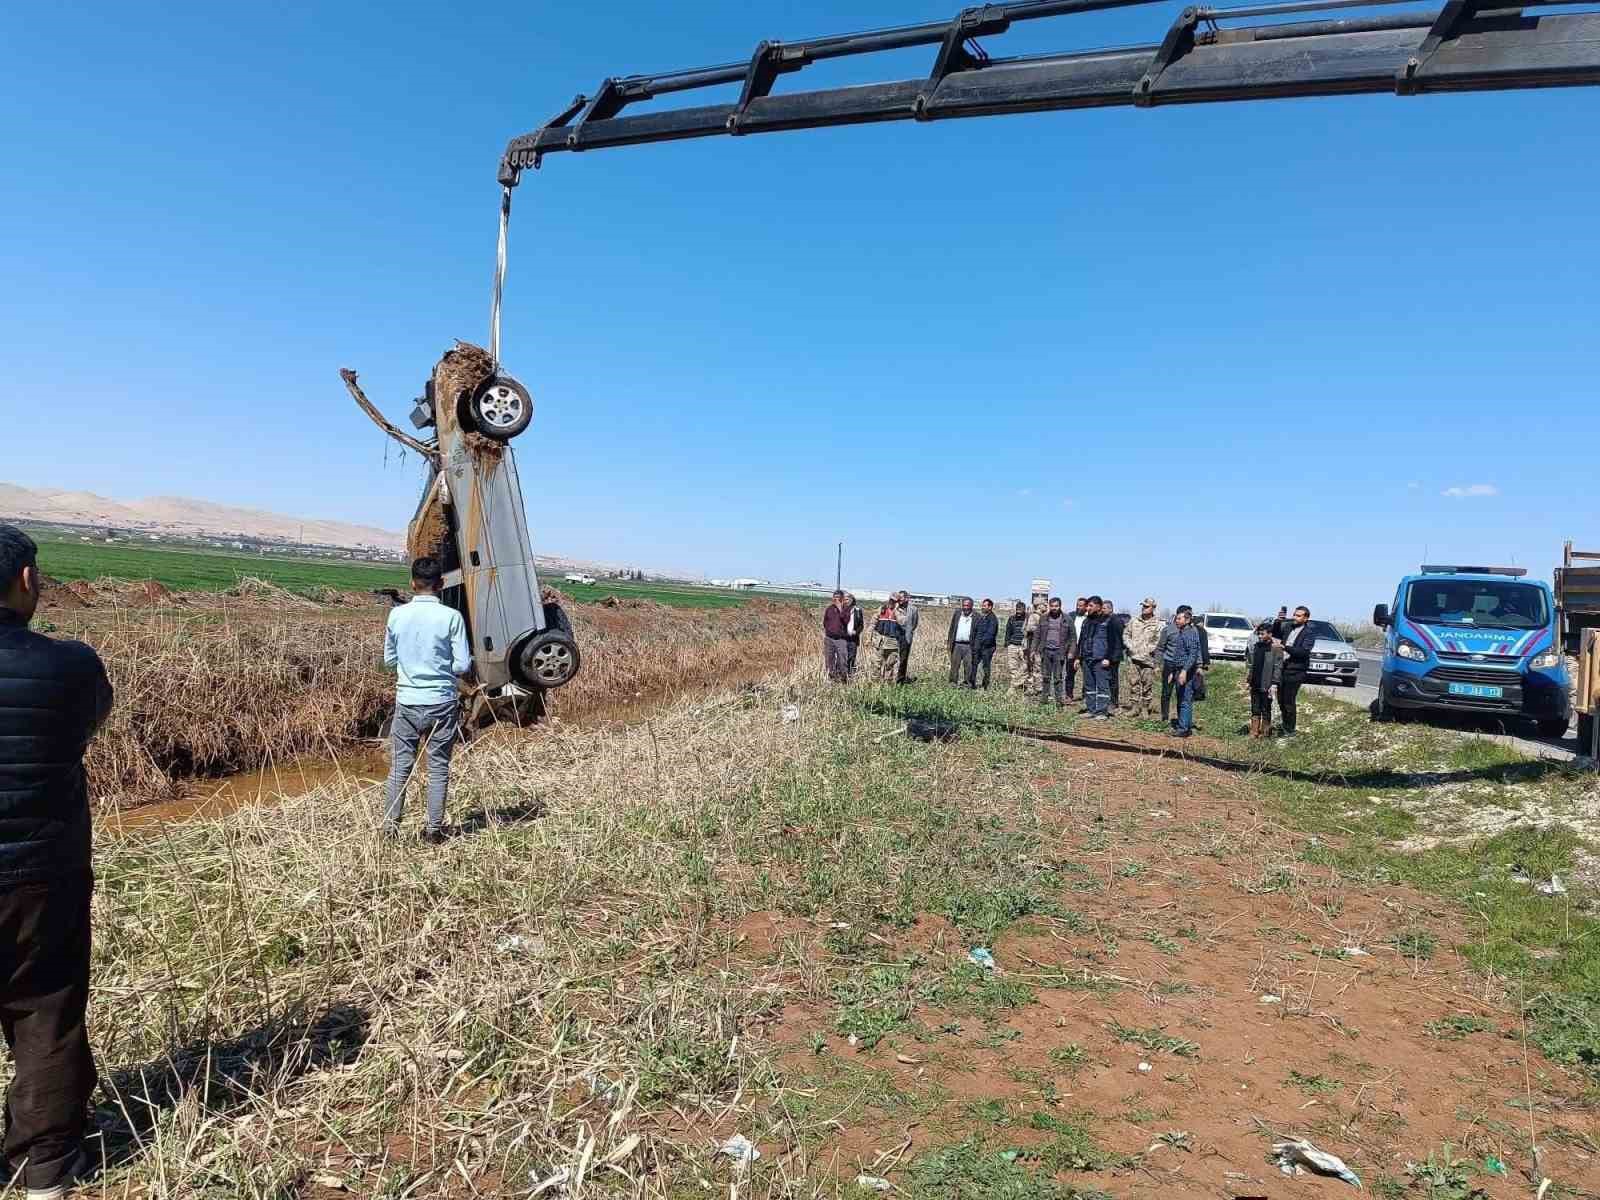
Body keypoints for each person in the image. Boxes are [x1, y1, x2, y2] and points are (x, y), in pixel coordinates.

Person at [0, 525, 112, 1199]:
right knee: (45, 1008)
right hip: (41, 876)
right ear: (24, 583)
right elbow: (87, 722)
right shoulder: (71, 666)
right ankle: (43, 1167)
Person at [384, 556, 473, 842]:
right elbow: (461, 666)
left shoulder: (396, 615)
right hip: (442, 703)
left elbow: (389, 659)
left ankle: (390, 831)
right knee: (438, 767)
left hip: (407, 701)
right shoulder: (451, 617)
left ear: (412, 583)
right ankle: (434, 832)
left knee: (400, 768)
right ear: (442, 584)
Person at [1075, 595, 1122, 719]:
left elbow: (1114, 642)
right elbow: (1082, 640)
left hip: (1101, 659)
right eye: (1087, 605)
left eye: (1091, 606)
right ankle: (1091, 710)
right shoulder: (1086, 621)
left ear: (1099, 607)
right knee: (1089, 686)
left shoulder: (1108, 621)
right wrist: (1078, 657)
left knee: (1102, 686)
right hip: (1087, 658)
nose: (1087, 608)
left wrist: (1108, 658)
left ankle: (1102, 711)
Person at [1162, 607, 1204, 737]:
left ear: (1187, 619)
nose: (1177, 620)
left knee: (1185, 699)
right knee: (1181, 698)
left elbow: (1192, 655)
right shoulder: (1182, 632)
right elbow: (1178, 654)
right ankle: (1184, 725)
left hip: (1186, 671)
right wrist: (1172, 672)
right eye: (1176, 618)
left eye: (1179, 618)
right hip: (1178, 669)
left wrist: (1184, 671)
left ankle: (1183, 728)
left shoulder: (1190, 633)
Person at [1276, 604, 1315, 737]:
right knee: (1280, 699)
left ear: (1306, 618)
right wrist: (1279, 620)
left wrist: (1285, 647)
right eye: (1294, 614)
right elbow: (1275, 632)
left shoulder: (1309, 633)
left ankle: (1290, 730)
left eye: (1299, 616)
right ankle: (1285, 725)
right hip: (1283, 668)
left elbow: (1303, 652)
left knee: (1288, 701)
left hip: (1296, 671)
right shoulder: (1289, 627)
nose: (1295, 617)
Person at [1122, 597, 1163, 719]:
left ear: (1153, 608)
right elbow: (1126, 634)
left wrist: (1149, 649)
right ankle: (1135, 708)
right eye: (1143, 606)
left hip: (1148, 660)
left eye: (1147, 606)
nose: (1144, 608)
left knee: (1147, 686)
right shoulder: (1134, 621)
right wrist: (1130, 646)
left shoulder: (1157, 624)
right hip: (1134, 658)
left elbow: (1158, 641)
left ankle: (1145, 709)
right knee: (1134, 684)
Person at [1037, 597, 1077, 707]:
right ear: (1049, 606)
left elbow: (1073, 638)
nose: (1054, 608)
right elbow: (1037, 635)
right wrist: (1033, 650)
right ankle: (1044, 699)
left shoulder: (1067, 619)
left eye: (1056, 606)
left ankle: (1059, 701)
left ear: (1060, 606)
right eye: (1052, 606)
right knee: (1045, 676)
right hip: (1046, 651)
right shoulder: (1043, 618)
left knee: (1058, 677)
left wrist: (1071, 652)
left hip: (1059, 652)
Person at [1246, 620, 1282, 737]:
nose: (1260, 636)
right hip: (1255, 683)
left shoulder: (1275, 648)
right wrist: (1249, 680)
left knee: (1266, 709)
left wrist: (1274, 683)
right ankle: (1254, 731)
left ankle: (1266, 733)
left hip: (1267, 684)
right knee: (1255, 708)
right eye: (1259, 634)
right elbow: (1253, 665)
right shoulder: (1257, 646)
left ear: (1270, 634)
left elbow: (1277, 667)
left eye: (1263, 634)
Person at [822, 590, 851, 683]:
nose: (836, 599)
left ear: (842, 599)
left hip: (841, 639)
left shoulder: (846, 609)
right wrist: (829, 631)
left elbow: (847, 621)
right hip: (829, 638)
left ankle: (843, 680)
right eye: (834, 597)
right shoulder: (829, 609)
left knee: (842, 661)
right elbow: (825, 622)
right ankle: (832, 679)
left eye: (838, 597)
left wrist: (840, 609)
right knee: (829, 660)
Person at [969, 598, 1000, 689]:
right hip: (978, 647)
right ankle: (972, 683)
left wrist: (979, 644)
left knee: (986, 667)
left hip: (987, 648)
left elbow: (990, 635)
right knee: (974, 664)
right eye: (982, 605)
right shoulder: (982, 617)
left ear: (990, 607)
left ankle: (985, 686)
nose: (982, 607)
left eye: (984, 606)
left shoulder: (992, 619)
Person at [871, 602, 904, 683]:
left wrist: (896, 612)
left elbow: (903, 623)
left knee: (890, 664)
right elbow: (872, 623)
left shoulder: (900, 612)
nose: (891, 603)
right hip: (880, 641)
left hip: (893, 642)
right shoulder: (881, 609)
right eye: (890, 600)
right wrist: (869, 637)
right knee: (876, 663)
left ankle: (888, 683)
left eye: (894, 601)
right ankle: (875, 683)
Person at [947, 597, 976, 686]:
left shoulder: (976, 616)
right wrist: (949, 642)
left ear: (971, 606)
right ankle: (953, 683)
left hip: (969, 646)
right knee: (954, 666)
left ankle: (967, 684)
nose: (965, 607)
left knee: (968, 666)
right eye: (964, 605)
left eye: (967, 605)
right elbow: (952, 628)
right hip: (957, 645)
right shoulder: (957, 614)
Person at [1066, 597, 1091, 700]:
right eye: (1077, 605)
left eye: (1081, 605)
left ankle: (1086, 696)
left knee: (1087, 674)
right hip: (1072, 648)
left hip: (1085, 649)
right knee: (1069, 673)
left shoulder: (1090, 618)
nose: (1078, 607)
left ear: (1086, 606)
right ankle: (1069, 695)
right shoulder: (1070, 616)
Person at [1005, 601, 1031, 694]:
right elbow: (1008, 631)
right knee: (1013, 667)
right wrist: (1007, 643)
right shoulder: (1012, 618)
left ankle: (1026, 686)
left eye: (1021, 609)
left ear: (1024, 609)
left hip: (1024, 647)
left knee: (1025, 667)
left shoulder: (1029, 619)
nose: (1019, 611)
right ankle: (1016, 686)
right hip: (1013, 645)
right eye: (1017, 609)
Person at [895, 591, 920, 683]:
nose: (899, 600)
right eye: (898, 598)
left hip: (906, 636)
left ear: (906, 598)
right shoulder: (894, 607)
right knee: (893, 657)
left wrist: (909, 630)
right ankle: (891, 677)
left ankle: (900, 679)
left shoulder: (913, 609)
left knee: (903, 658)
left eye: (901, 598)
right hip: (894, 636)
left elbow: (914, 623)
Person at [842, 592, 864, 677]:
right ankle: (842, 674)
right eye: (845, 599)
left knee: (852, 656)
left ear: (852, 599)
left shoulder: (858, 610)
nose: (846, 601)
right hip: (843, 638)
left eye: (848, 599)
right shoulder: (841, 610)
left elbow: (861, 625)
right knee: (842, 655)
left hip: (853, 638)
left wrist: (857, 632)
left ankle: (850, 674)